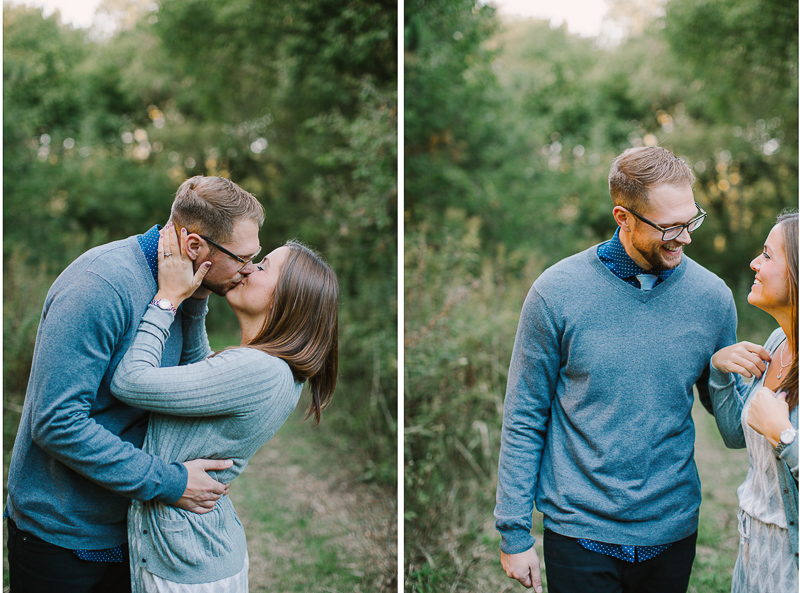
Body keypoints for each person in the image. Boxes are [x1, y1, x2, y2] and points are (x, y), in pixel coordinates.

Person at [495, 146, 739, 593]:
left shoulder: (713, 299)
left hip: (673, 530)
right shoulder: (557, 293)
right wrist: (514, 531)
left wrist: (727, 373)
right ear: (623, 217)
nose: (685, 238)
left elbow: (733, 430)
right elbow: (525, 416)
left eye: (692, 220)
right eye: (669, 227)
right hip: (579, 531)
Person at [5, 176, 265, 592]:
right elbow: (56, 423)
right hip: (62, 535)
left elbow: (187, 391)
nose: (250, 269)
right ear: (195, 246)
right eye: (242, 258)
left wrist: (192, 302)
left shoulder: (184, 287)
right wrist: (172, 482)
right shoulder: (99, 285)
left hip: (135, 528)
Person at [110, 224, 338, 591]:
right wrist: (198, 298)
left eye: (262, 267)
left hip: (186, 564)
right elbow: (203, 379)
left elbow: (130, 381)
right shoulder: (271, 368)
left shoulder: (258, 370)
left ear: (285, 299)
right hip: (197, 553)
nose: (247, 268)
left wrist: (166, 300)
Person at [708, 211, 798, 593]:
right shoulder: (777, 343)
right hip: (752, 554)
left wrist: (785, 437)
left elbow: (776, 437)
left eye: (767, 254)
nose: (754, 263)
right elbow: (735, 434)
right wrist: (720, 372)